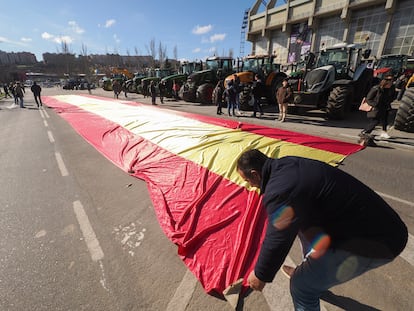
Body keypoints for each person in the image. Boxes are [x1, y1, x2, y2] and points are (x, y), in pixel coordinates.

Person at [236, 149, 407, 311]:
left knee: (301, 286)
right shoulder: (286, 164)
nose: (251, 186)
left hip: (379, 240)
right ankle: (311, 273)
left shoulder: (279, 190)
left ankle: (309, 280)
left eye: (248, 181)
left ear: (255, 174)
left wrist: (260, 275)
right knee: (303, 227)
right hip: (376, 224)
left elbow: (278, 238)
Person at [360, 75, 396, 141]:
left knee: (384, 120)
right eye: (390, 82)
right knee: (375, 121)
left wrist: (389, 102)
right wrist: (374, 105)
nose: (391, 84)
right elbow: (368, 99)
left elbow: (392, 97)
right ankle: (365, 132)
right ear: (385, 82)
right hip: (376, 108)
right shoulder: (376, 88)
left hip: (385, 107)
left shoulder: (390, 89)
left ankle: (383, 132)